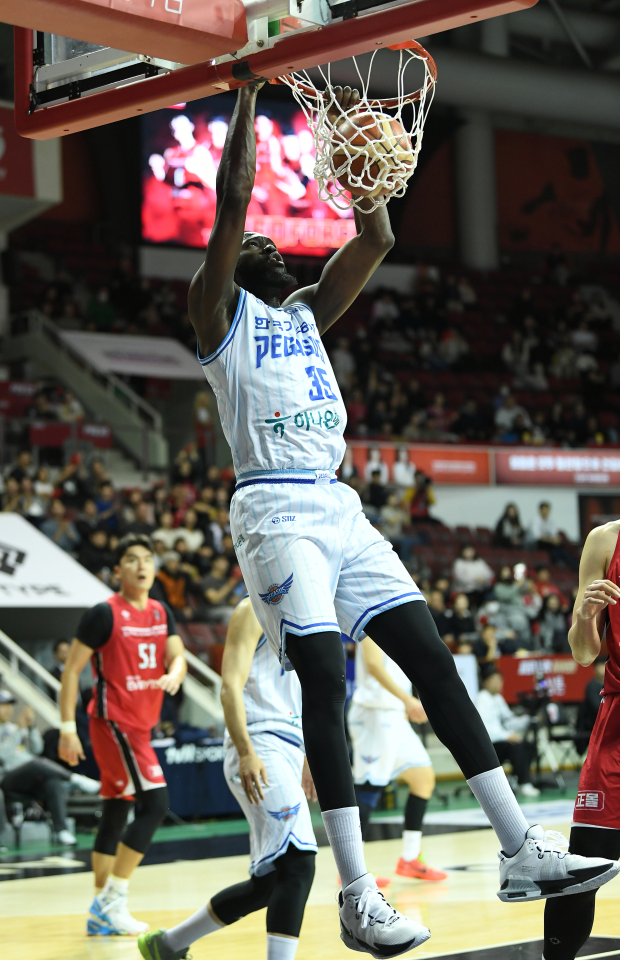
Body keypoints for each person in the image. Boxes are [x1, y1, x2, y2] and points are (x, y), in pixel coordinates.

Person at [187, 80, 618, 959]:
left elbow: (377, 237)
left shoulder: (305, 314)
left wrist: (364, 168)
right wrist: (244, 95)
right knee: (320, 677)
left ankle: (518, 849)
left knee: (431, 655)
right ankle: (356, 893)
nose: (268, 243)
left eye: (274, 241)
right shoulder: (218, 318)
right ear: (230, 268)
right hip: (275, 509)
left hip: (339, 506)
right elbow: (234, 200)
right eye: (254, 244)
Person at [138, 597, 317, 960]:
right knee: (299, 864)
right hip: (258, 743)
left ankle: (167, 944)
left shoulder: (306, 611)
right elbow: (229, 687)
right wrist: (246, 751)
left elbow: (309, 692)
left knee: (269, 884)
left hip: (289, 745)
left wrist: (310, 754)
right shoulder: (251, 610)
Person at [58, 533, 187, 936]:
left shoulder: (161, 611)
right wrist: (66, 727)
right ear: (118, 571)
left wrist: (175, 674)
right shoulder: (104, 613)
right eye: (132, 559)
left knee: (117, 807)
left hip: (140, 724)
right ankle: (112, 900)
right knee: (155, 804)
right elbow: (71, 671)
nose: (142, 565)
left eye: (147, 558)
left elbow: (178, 655)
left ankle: (101, 908)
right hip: (115, 722)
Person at [543, 521, 620, 960]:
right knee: (585, 864)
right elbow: (583, 652)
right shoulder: (605, 540)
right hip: (616, 725)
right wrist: (585, 616)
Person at [348, 636, 447, 881]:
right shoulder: (369, 625)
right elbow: (373, 665)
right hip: (374, 713)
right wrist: (407, 700)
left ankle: (410, 859)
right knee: (369, 788)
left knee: (423, 779)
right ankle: (351, 868)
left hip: (393, 713)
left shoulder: (395, 624)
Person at [0, 691, 99, 846]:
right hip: (5, 778)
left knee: (52, 781)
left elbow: (37, 749)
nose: (8, 709)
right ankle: (75, 778)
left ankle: (61, 831)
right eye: (3, 705)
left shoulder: (16, 728)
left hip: (29, 776)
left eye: (10, 705)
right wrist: (16, 731)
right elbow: (2, 756)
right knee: (36, 763)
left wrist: (31, 728)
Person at [475, 671, 538, 798]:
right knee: (517, 747)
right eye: (495, 680)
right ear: (486, 682)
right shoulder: (481, 699)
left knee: (529, 746)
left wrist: (529, 719)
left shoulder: (498, 698)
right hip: (490, 745)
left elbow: (509, 721)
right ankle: (524, 783)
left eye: (500, 680)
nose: (499, 684)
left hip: (501, 740)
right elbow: (485, 729)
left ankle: (515, 779)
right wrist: (507, 736)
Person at [529, 502, 578, 571]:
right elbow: (538, 536)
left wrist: (556, 540)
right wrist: (551, 540)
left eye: (547, 509)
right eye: (544, 509)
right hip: (535, 544)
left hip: (549, 542)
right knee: (552, 547)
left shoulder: (550, 520)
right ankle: (558, 561)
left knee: (561, 546)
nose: (546, 511)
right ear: (540, 510)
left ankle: (573, 565)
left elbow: (554, 533)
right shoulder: (535, 520)